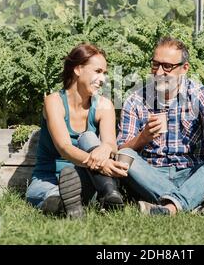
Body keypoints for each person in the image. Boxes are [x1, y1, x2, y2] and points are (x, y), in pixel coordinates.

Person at [116, 37, 204, 216]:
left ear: (184, 69)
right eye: (155, 65)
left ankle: (170, 207)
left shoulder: (198, 94)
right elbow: (122, 149)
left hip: (191, 173)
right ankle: (194, 203)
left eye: (167, 67)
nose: (158, 72)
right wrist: (143, 138)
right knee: (125, 157)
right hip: (151, 176)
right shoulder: (135, 100)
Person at [26, 43, 128, 218]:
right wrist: (102, 163)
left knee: (88, 137)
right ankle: (63, 205)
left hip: (87, 177)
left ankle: (109, 194)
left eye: (104, 73)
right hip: (48, 179)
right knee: (52, 195)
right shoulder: (54, 101)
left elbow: (111, 143)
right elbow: (64, 148)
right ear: (78, 69)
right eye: (98, 71)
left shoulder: (104, 105)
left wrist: (105, 148)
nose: (103, 79)